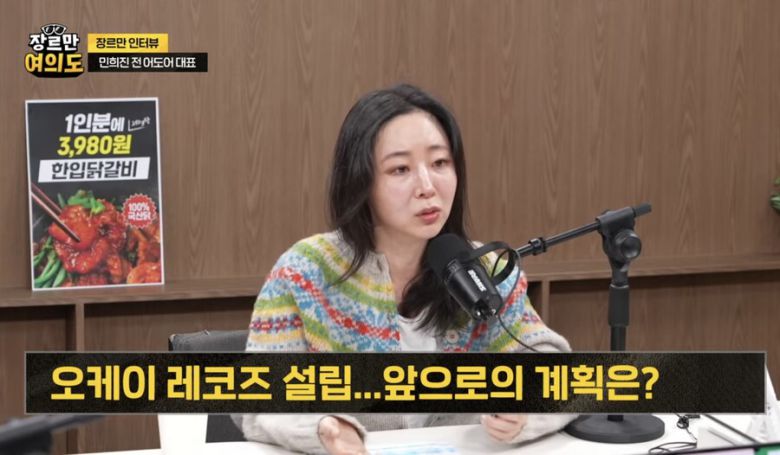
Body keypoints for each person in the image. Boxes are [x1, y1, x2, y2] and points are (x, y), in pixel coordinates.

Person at [238, 83, 575, 454]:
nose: (427, 187)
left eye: (440, 163)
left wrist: (527, 410)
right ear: (361, 182)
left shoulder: (486, 269)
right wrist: (324, 430)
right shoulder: (304, 272)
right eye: (400, 169)